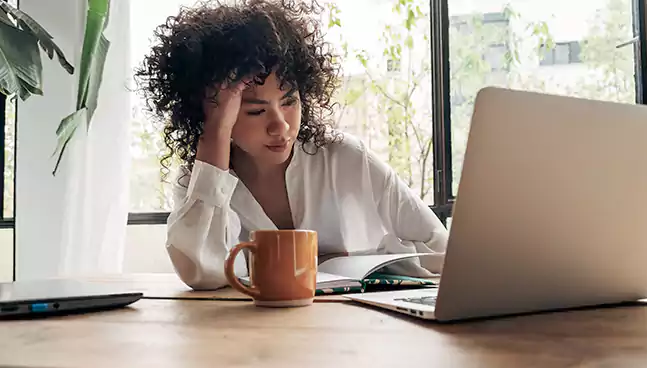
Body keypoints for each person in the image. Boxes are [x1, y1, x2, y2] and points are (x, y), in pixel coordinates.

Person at [135, 0, 448, 290]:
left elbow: (440, 249)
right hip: (239, 339)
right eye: (256, 111)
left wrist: (350, 264)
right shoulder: (200, 178)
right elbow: (201, 273)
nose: (281, 126)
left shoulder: (345, 159)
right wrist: (216, 132)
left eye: (289, 102)